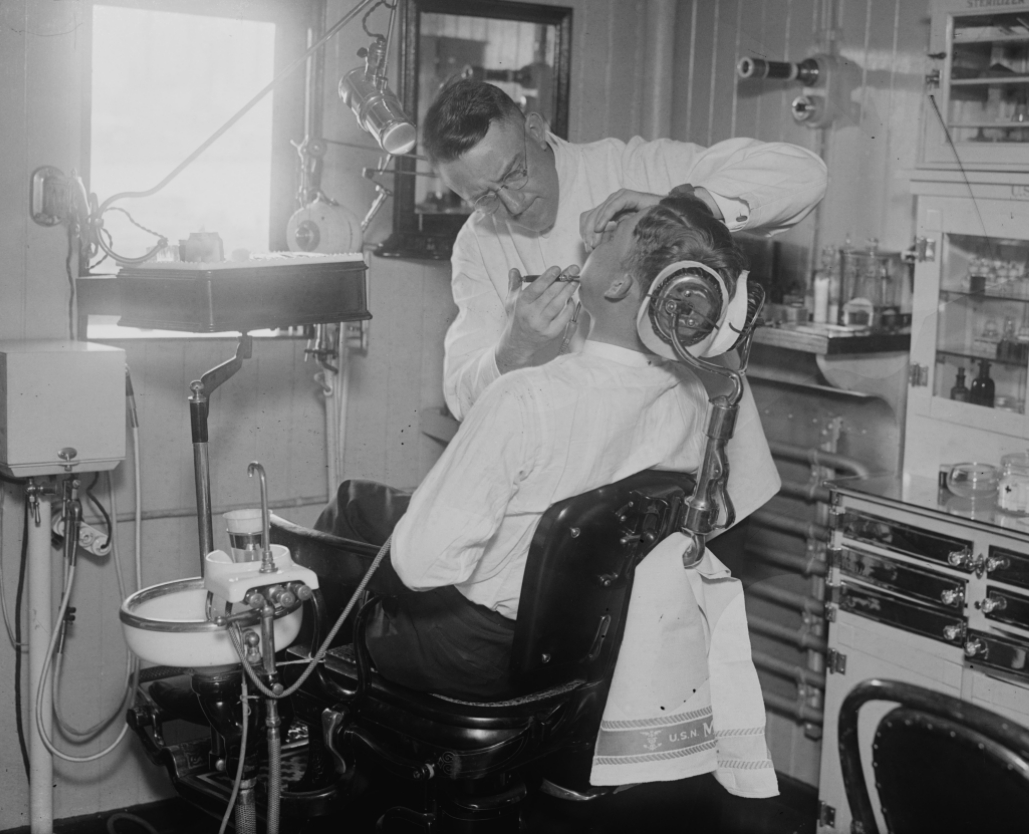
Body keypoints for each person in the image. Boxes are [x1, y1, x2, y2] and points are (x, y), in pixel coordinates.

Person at [319, 192, 747, 700]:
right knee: (365, 506)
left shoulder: (524, 399)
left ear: (619, 285)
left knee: (353, 512)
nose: (593, 237)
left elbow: (421, 565)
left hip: (467, 657)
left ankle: (320, 690)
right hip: (584, 650)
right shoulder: (695, 396)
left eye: (609, 237)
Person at [422, 79, 829, 525]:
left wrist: (685, 206)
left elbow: (806, 174)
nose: (513, 205)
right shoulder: (478, 244)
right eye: (483, 198)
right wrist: (514, 346)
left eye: (514, 172)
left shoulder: (632, 166)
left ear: (536, 130)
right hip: (580, 505)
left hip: (702, 480)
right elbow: (463, 394)